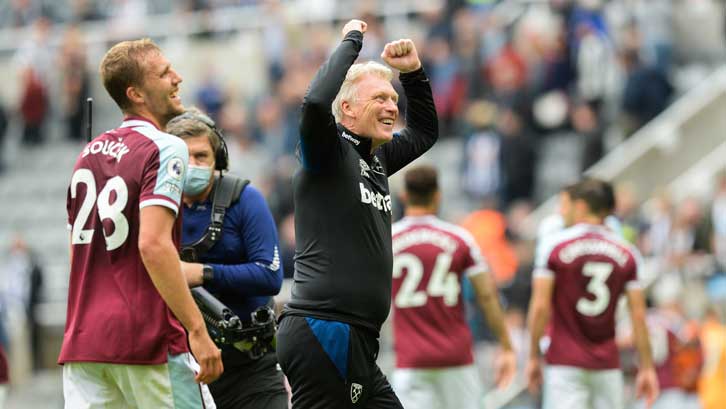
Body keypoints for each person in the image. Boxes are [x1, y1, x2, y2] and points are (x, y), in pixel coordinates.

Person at [276, 19, 438, 408]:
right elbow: (315, 102)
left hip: (356, 336)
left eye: (392, 100)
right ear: (347, 109)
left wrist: (412, 74)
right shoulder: (327, 153)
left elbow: (424, 133)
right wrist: (352, 40)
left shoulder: (376, 158)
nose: (390, 106)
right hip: (324, 328)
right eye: (379, 98)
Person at [59, 39, 222, 408]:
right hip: (146, 342)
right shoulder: (166, 147)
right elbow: (152, 244)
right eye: (164, 74)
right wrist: (197, 329)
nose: (177, 78)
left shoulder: (87, 153)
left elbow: (77, 255)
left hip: (84, 344)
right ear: (135, 93)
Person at [165, 108, 287, 409]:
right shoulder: (157, 207)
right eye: (183, 156)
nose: (192, 165)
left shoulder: (245, 199)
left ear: (216, 159)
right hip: (182, 371)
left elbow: (269, 275)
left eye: (201, 156)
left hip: (250, 366)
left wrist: (201, 273)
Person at [389, 165, 516, 409]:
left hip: (411, 359)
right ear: (438, 195)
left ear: (404, 195)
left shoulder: (387, 239)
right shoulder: (460, 238)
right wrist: (506, 346)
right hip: (456, 357)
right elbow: (487, 294)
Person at [526, 178, 659, 409]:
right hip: (607, 364)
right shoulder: (627, 253)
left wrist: (532, 357)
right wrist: (647, 367)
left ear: (581, 207)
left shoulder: (554, 247)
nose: (563, 212)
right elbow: (638, 316)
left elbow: (540, 307)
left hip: (564, 362)